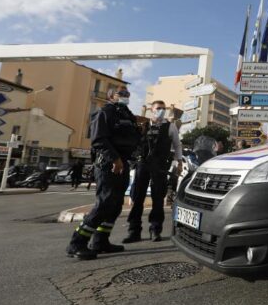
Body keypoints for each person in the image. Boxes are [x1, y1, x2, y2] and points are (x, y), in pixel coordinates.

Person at [65, 86, 141, 260]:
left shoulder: (127, 114)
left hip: (123, 163)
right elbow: (99, 139)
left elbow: (132, 138)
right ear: (110, 96)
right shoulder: (105, 112)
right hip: (109, 163)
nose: (126, 96)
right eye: (121, 94)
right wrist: (115, 159)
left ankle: (101, 241)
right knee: (104, 204)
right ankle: (77, 243)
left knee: (115, 206)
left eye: (128, 94)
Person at [123, 100, 183, 243]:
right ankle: (134, 231)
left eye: (163, 108)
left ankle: (155, 230)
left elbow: (177, 145)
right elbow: (133, 143)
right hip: (142, 164)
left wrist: (179, 162)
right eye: (158, 108)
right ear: (152, 109)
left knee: (157, 199)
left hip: (160, 166)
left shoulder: (170, 126)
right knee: (137, 198)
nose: (161, 110)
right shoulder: (143, 125)